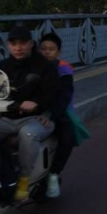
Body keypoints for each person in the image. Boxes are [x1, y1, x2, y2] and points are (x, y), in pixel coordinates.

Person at [0, 26, 59, 202]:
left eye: (23, 43)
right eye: (13, 44)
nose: (18, 48)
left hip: (36, 119)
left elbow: (53, 93)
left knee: (28, 134)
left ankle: (24, 180)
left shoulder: (45, 67)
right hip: (8, 119)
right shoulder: (3, 67)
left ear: (31, 44)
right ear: (8, 45)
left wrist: (37, 103)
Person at [37, 32, 75, 198]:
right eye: (43, 48)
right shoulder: (32, 66)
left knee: (68, 138)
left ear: (58, 52)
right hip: (33, 109)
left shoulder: (64, 69)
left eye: (51, 49)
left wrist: (51, 114)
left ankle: (53, 174)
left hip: (58, 111)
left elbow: (64, 96)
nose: (46, 52)